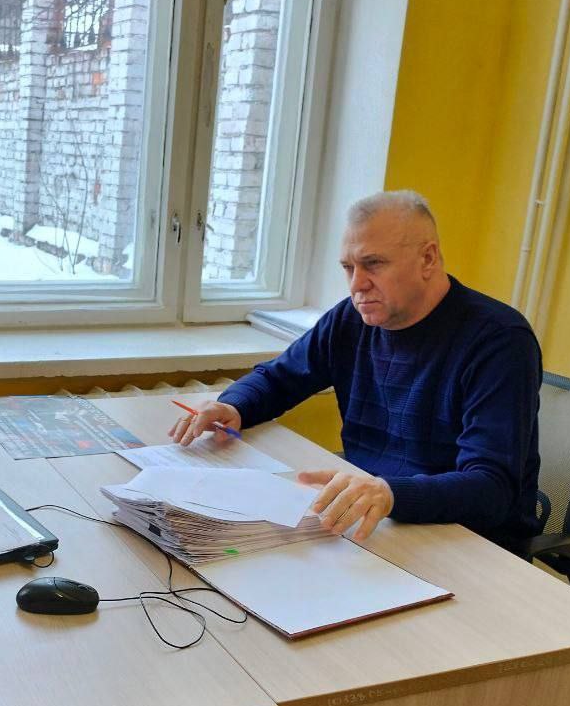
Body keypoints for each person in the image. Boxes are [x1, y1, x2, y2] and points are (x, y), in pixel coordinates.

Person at [171, 190, 542, 552]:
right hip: (374, 519)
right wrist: (233, 406)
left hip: (465, 542)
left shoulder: (498, 341)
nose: (356, 284)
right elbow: (279, 377)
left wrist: (391, 494)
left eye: (373, 264)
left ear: (428, 259)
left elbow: (491, 487)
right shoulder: (351, 319)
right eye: (348, 268)